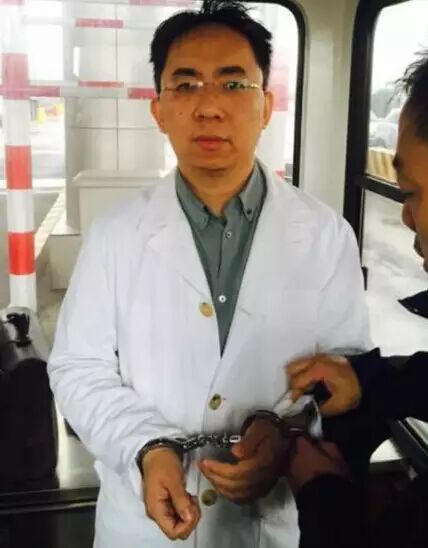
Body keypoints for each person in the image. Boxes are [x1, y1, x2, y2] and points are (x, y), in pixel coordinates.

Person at [47, 1, 371, 547]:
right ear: (159, 111)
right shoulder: (114, 235)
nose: (209, 107)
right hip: (142, 527)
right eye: (186, 85)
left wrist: (286, 437)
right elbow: (79, 368)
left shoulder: (325, 235)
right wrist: (145, 446)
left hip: (268, 522)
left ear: (267, 106)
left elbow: (345, 375)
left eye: (234, 84)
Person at [285, 50, 428, 548]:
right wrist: (368, 381)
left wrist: (324, 496)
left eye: (411, 193)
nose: (406, 217)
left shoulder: (324, 231)